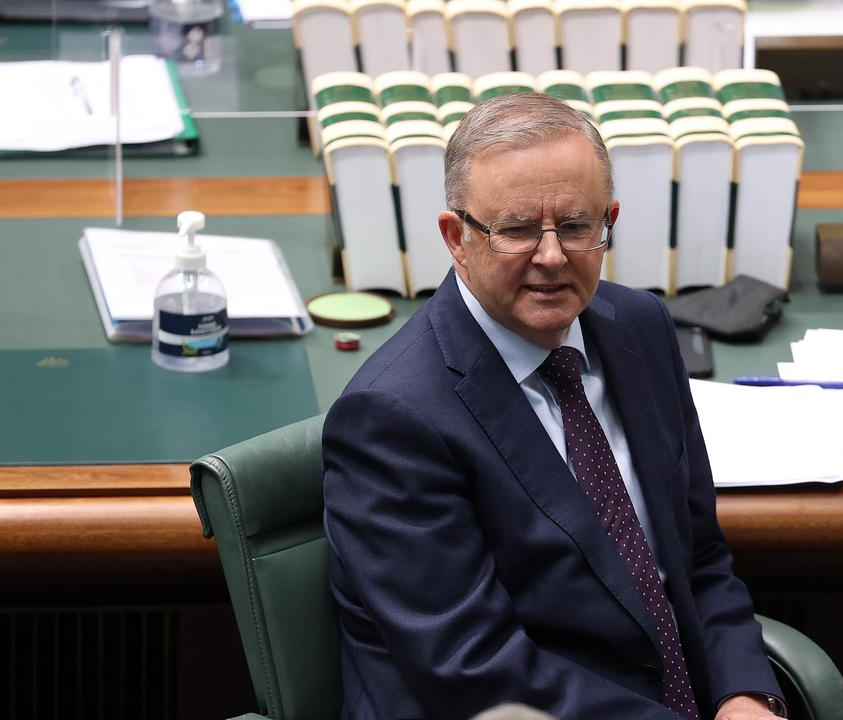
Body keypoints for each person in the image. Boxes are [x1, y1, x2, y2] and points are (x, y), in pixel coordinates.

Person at [322, 92, 786, 720]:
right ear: (457, 238)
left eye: (575, 226)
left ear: (608, 221)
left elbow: (698, 556)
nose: (551, 256)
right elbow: (475, 668)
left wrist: (746, 694)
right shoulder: (393, 418)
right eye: (516, 230)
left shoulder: (641, 328)